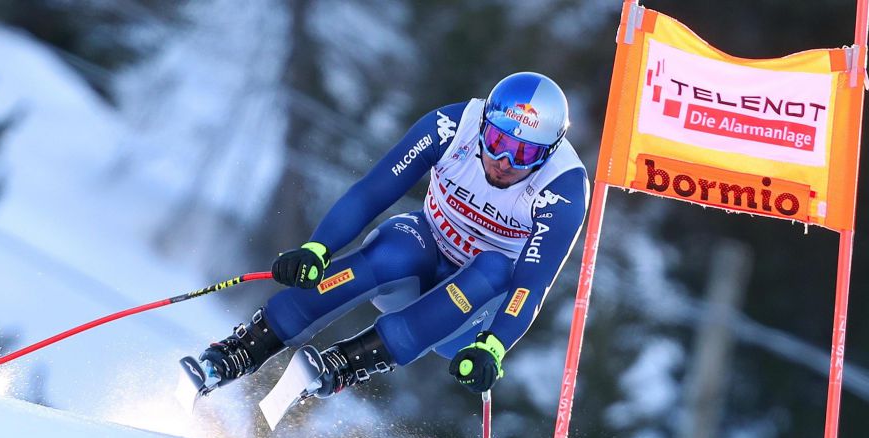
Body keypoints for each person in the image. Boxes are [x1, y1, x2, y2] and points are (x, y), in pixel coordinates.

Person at [193, 71, 589, 399]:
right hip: (423, 254)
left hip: (472, 313)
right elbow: (373, 191)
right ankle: (243, 349)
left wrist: (494, 345)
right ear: (484, 125)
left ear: (548, 152)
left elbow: (531, 285)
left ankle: (346, 364)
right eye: (499, 142)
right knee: (394, 249)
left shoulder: (563, 189)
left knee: (496, 268)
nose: (503, 162)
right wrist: (317, 248)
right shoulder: (451, 127)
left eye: (523, 154)